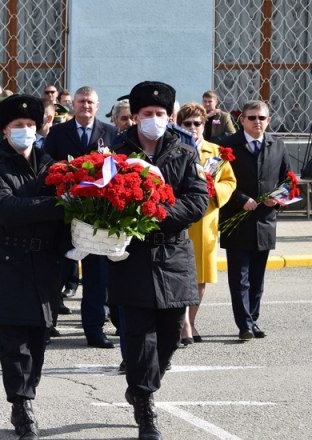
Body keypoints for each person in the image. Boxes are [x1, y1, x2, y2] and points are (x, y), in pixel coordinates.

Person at [109, 81, 208, 440]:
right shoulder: (115, 152)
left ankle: (144, 384)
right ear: (134, 117)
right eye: (147, 114)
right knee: (138, 335)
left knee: (170, 333)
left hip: (172, 252)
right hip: (132, 254)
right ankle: (145, 405)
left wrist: (157, 213)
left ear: (170, 116)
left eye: (160, 114)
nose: (154, 120)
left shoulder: (184, 151)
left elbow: (199, 199)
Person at [0, 94, 65, 440]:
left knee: (39, 337)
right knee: (14, 342)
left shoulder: (52, 165)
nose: (25, 131)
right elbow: (7, 211)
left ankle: (28, 392)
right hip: (8, 263)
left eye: (30, 125)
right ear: (4, 130)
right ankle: (21, 404)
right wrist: (54, 204)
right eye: (17, 126)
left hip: (45, 262)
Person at [45, 86, 118, 349]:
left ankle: (94, 330)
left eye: (90, 102)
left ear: (98, 106)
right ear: (73, 105)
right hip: (65, 212)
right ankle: (47, 324)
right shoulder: (57, 133)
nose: (85, 106)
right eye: (81, 102)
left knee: (97, 277)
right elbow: (48, 167)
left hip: (97, 216)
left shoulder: (110, 132)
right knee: (57, 272)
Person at [218, 100, 291, 341]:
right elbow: (216, 180)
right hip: (237, 220)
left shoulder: (277, 145)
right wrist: (240, 199)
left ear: (268, 120)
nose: (257, 122)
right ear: (242, 120)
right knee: (239, 278)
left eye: (261, 118)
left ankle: (253, 320)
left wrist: (277, 198)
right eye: (252, 118)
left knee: (257, 278)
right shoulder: (227, 145)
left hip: (264, 220)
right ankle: (244, 324)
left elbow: (287, 180)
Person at [177, 103, 237, 345]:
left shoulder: (216, 152)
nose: (192, 128)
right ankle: (183, 325)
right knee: (180, 274)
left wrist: (214, 191)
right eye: (187, 123)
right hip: (180, 218)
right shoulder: (175, 149)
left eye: (197, 123)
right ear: (179, 126)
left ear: (204, 125)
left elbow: (229, 182)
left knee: (200, 276)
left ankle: (190, 320)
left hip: (205, 220)